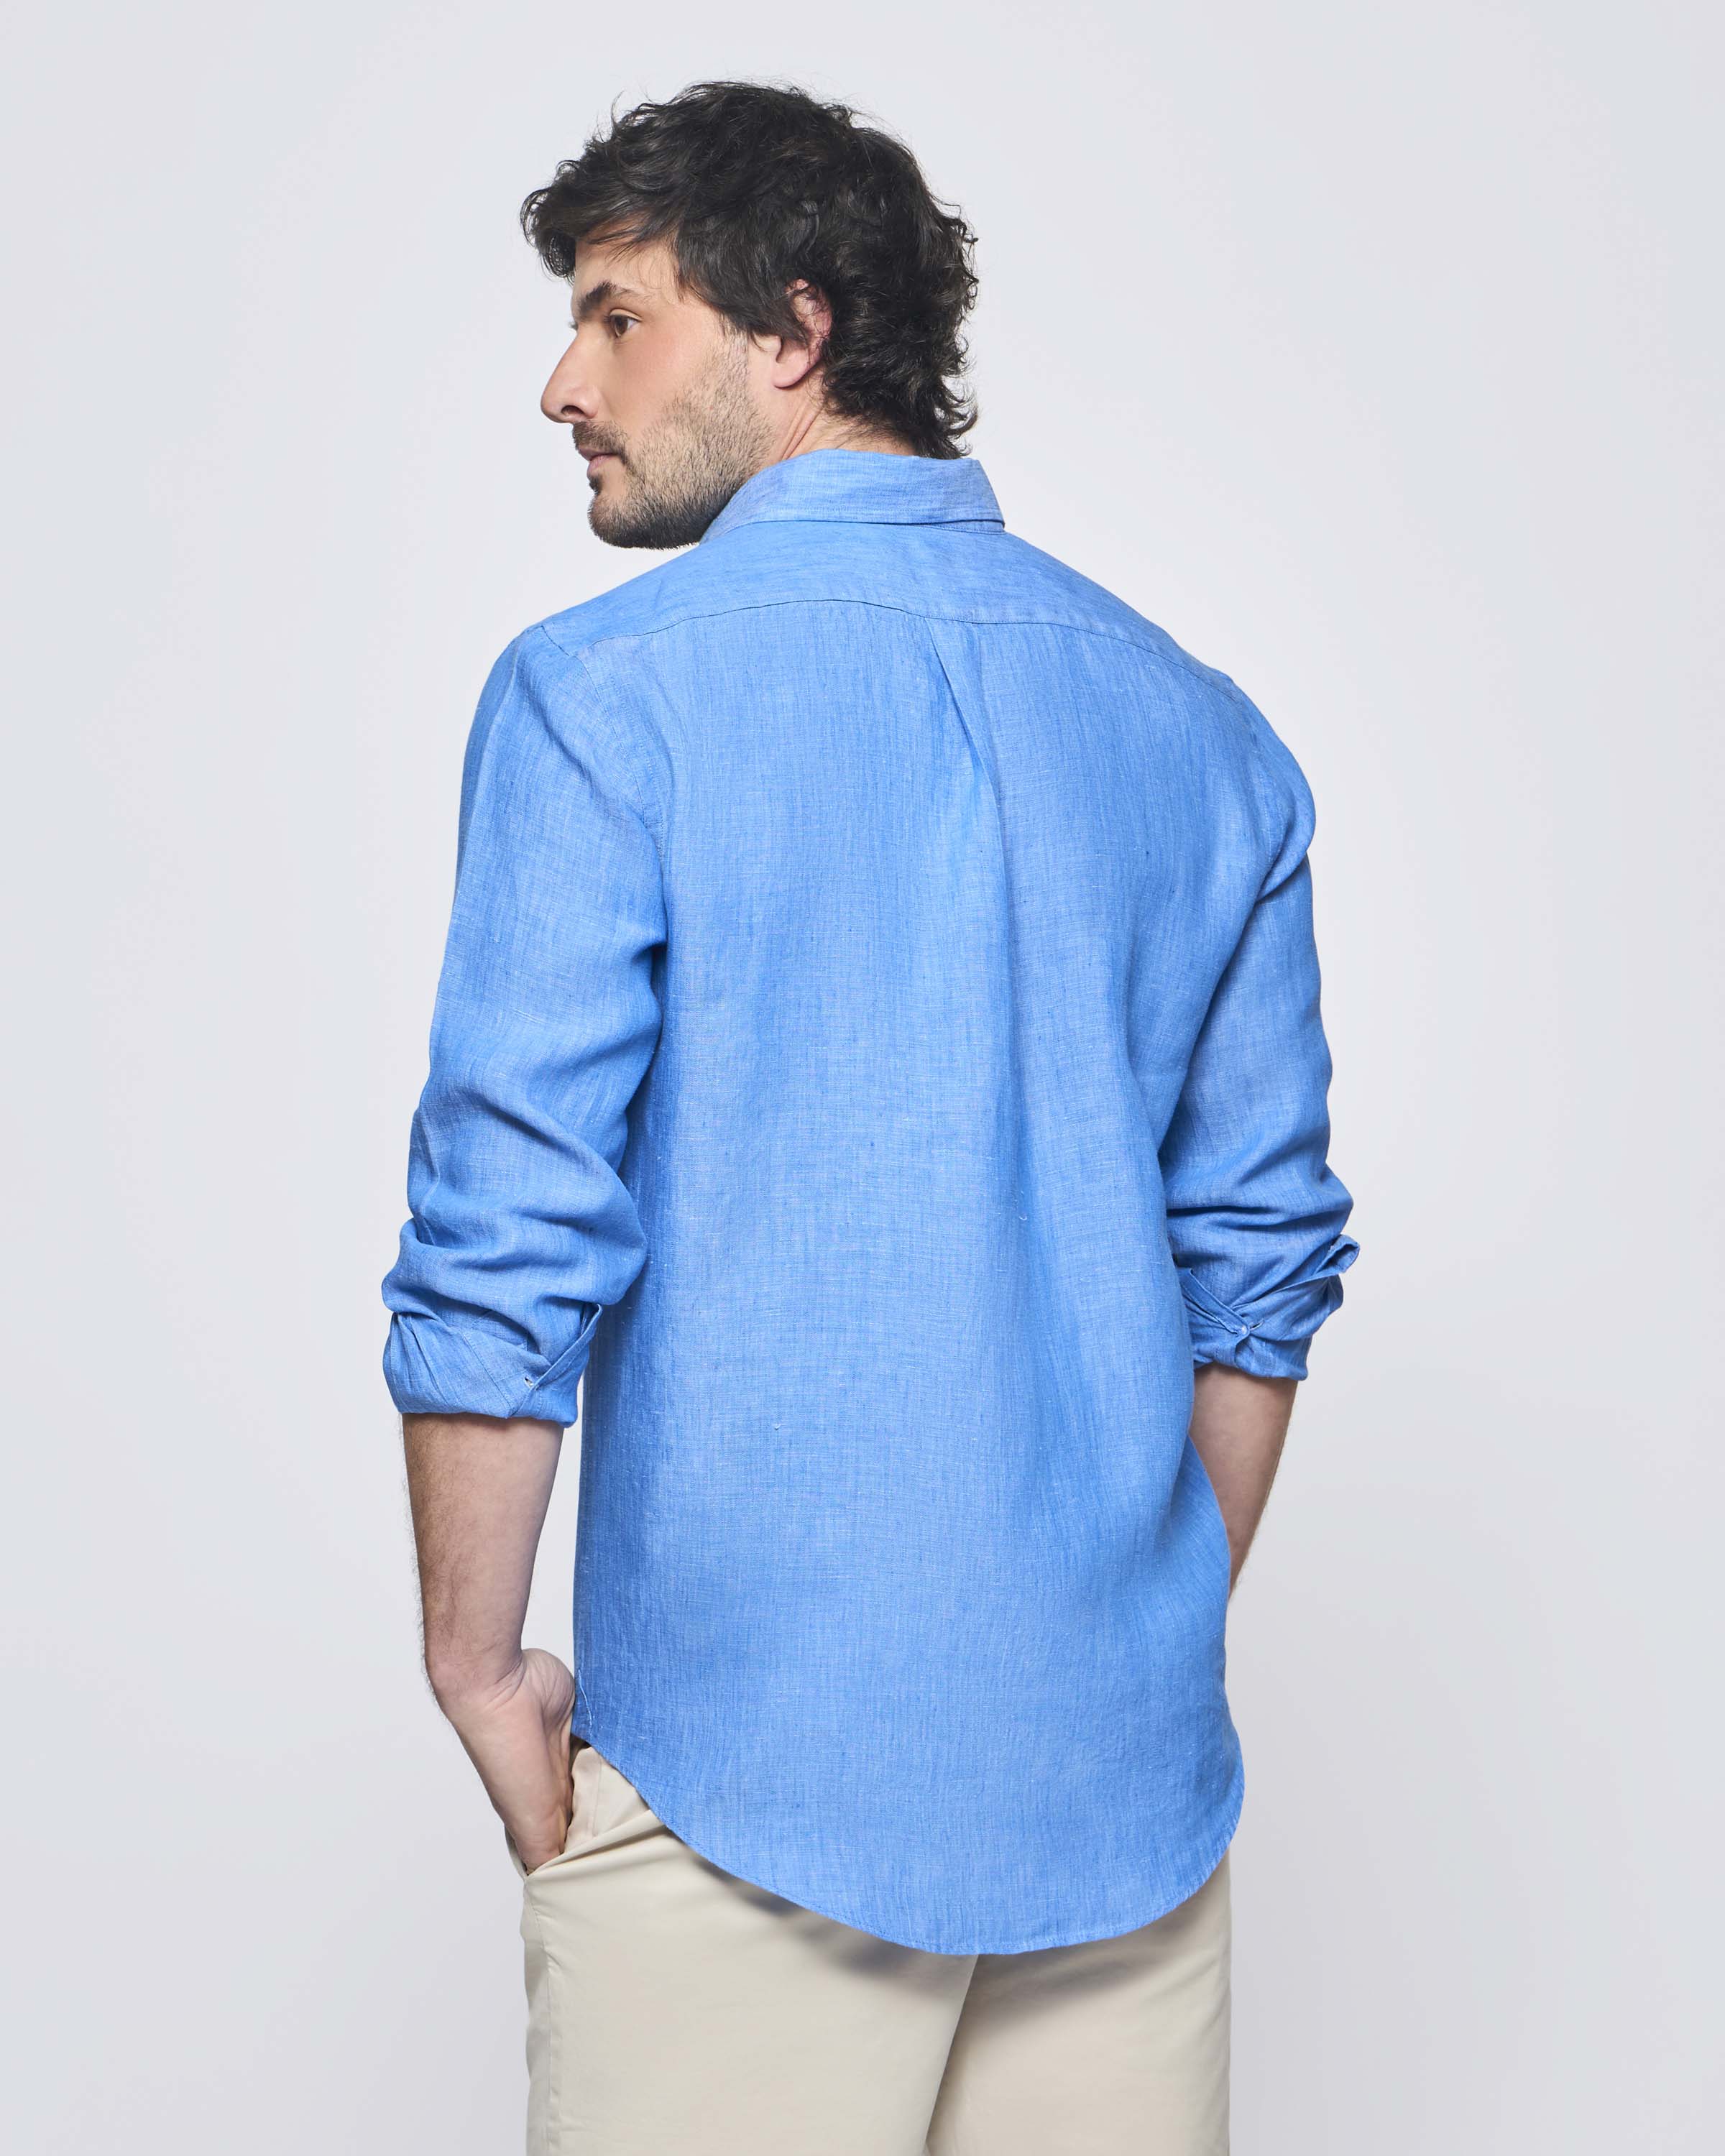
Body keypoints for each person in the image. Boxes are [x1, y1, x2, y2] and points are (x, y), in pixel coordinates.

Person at [381, 77, 1358, 2156]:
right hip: (1124, 1796)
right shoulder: (1206, 736)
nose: (564, 385)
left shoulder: (603, 697)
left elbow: (509, 1227)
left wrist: (476, 1660)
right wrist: (1134, 1634)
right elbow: (1259, 1268)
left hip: (742, 1787)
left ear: (795, 329)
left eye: (618, 317)